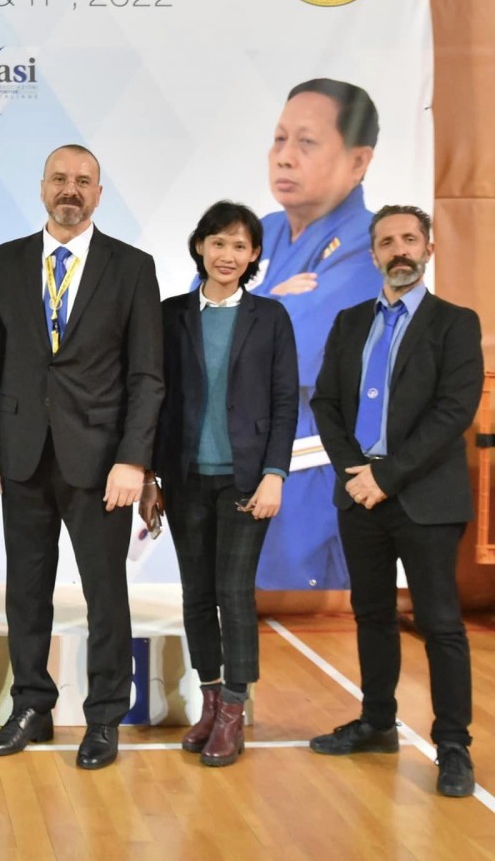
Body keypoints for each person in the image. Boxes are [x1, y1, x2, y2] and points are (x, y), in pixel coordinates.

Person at [0, 143, 163, 769]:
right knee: (27, 591)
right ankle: (32, 705)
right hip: (21, 455)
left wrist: (135, 459)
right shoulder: (7, 261)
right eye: (59, 178)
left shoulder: (132, 267)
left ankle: (104, 717)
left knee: (106, 594)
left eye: (83, 181)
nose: (70, 190)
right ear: (42, 186)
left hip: (102, 462)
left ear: (100, 194)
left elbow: (148, 375)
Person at [309, 205, 483, 798]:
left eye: (410, 239)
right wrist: (356, 473)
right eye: (387, 242)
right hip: (360, 496)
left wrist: (386, 477)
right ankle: (378, 723)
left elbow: (453, 414)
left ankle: (453, 744)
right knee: (372, 616)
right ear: (375, 254)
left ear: (429, 249)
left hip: (425, 500)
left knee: (440, 625)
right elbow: (326, 405)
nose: (399, 250)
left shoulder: (456, 323)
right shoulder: (348, 322)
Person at [144, 201, 298, 767]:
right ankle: (208, 700)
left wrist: (275, 474)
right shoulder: (171, 314)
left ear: (253, 255)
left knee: (234, 594)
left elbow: (285, 402)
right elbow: (154, 400)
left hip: (246, 482)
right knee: (196, 596)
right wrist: (151, 476)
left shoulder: (271, 317)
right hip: (183, 480)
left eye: (239, 245)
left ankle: (234, 711)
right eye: (217, 243)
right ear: (200, 247)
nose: (227, 255)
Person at [252, 78, 385, 590]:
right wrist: (274, 303)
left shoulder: (368, 247)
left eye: (306, 143)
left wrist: (252, 305)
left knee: (305, 643)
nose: (284, 157)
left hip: (314, 481)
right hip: (244, 472)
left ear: (358, 162)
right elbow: (192, 333)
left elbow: (292, 351)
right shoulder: (256, 231)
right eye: (280, 139)